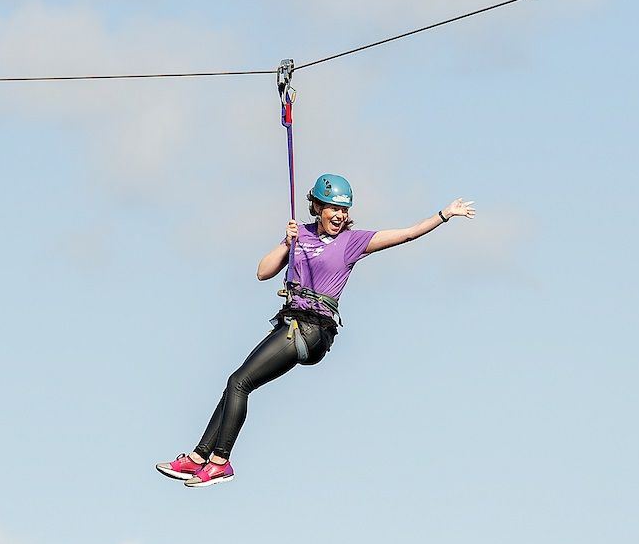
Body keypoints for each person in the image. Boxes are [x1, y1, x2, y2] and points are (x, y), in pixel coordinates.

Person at [157, 173, 476, 487]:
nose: (340, 215)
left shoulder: (352, 242)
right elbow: (262, 272)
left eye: (344, 210)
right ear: (318, 208)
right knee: (236, 384)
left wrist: (444, 214)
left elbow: (407, 233)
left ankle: (220, 462)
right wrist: (286, 242)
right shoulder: (301, 236)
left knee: (239, 382)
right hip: (290, 323)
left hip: (312, 331)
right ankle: (198, 459)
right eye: (333, 209)